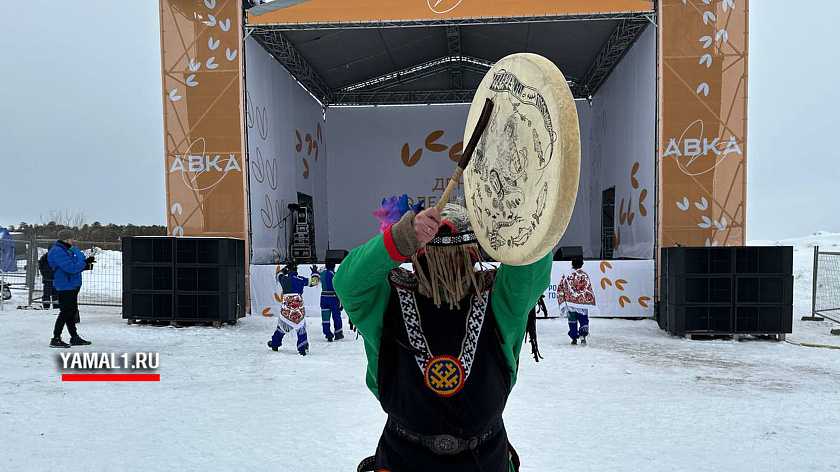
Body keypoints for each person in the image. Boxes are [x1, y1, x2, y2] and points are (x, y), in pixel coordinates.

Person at [334, 201, 550, 472]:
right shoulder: (389, 296)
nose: (448, 265)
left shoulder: (496, 296)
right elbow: (347, 282)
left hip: (484, 458)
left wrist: (515, 216)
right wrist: (402, 236)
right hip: (404, 457)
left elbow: (531, 266)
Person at [46, 229, 94, 348]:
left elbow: (74, 264)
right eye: (71, 238)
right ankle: (56, 338)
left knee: (71, 311)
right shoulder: (57, 251)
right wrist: (84, 263)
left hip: (69, 283)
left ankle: (74, 337)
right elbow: (70, 267)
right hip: (64, 284)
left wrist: (84, 263)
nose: (73, 240)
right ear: (65, 239)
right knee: (66, 311)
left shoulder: (65, 250)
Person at [267, 263, 319, 356]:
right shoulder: (300, 279)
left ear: (289, 271)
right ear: (296, 271)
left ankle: (275, 344)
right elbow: (314, 282)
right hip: (298, 309)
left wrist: (284, 270)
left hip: (287, 308)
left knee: (282, 327)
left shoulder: (284, 279)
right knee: (301, 328)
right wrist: (314, 272)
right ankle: (302, 348)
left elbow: (278, 274)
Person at [556, 257, 599, 345]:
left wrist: (563, 299)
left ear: (572, 264)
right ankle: (583, 336)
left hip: (570, 303)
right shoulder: (584, 275)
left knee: (572, 320)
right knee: (583, 319)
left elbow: (561, 287)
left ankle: (574, 338)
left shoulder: (566, 275)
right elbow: (588, 288)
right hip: (581, 304)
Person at [318, 261, 344, 341]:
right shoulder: (335, 274)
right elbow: (339, 286)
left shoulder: (322, 274)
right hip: (332, 297)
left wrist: (314, 272)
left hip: (323, 297)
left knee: (325, 317)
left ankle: (328, 334)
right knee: (336, 316)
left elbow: (314, 281)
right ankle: (338, 333)